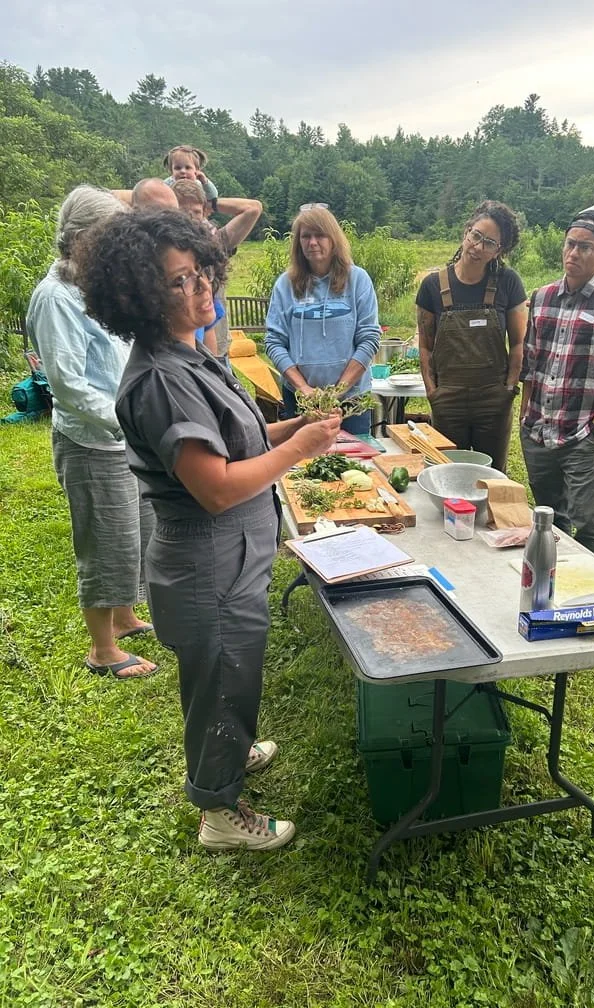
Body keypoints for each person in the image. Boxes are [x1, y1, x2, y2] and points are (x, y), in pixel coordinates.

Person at [76, 208, 342, 850]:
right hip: (207, 561)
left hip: (231, 556)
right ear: (139, 297)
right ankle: (220, 812)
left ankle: (229, 752)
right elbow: (216, 486)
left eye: (200, 274)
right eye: (177, 283)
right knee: (221, 681)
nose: (200, 291)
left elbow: (236, 439)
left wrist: (283, 431)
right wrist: (299, 449)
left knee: (232, 674)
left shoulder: (191, 354)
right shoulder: (163, 379)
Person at [25, 185, 157, 679]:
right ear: (84, 239)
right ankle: (103, 650)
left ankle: (123, 619)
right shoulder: (55, 298)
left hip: (124, 435)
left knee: (136, 534)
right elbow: (68, 385)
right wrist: (130, 419)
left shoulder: (92, 286)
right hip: (92, 441)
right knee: (105, 541)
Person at [519, 210, 594, 559]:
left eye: (585, 247)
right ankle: (553, 580)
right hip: (539, 429)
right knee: (548, 517)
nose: (574, 253)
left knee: (587, 522)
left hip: (581, 433)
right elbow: (531, 362)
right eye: (570, 244)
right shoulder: (542, 297)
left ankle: (592, 598)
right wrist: (526, 417)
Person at [415, 200, 527, 472]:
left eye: (489, 243)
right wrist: (433, 392)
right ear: (466, 232)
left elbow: (519, 343)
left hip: (493, 399)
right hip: (448, 399)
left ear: (499, 250)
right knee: (448, 473)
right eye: (476, 236)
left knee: (492, 476)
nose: (478, 247)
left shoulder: (507, 282)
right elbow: (425, 346)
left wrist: (509, 390)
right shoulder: (433, 286)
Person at [264, 205, 381, 436]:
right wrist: (304, 389)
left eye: (320, 235)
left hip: (351, 400)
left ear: (334, 239)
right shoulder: (285, 284)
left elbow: (369, 338)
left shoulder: (357, 279)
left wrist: (338, 391)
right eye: (306, 236)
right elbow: (274, 341)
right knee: (304, 466)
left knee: (356, 466)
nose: (312, 242)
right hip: (301, 400)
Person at [172, 180, 262, 361]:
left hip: (212, 350)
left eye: (196, 212)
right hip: (178, 357)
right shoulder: (162, 257)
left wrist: (211, 201)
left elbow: (253, 208)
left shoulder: (214, 243)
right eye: (183, 212)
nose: (190, 219)